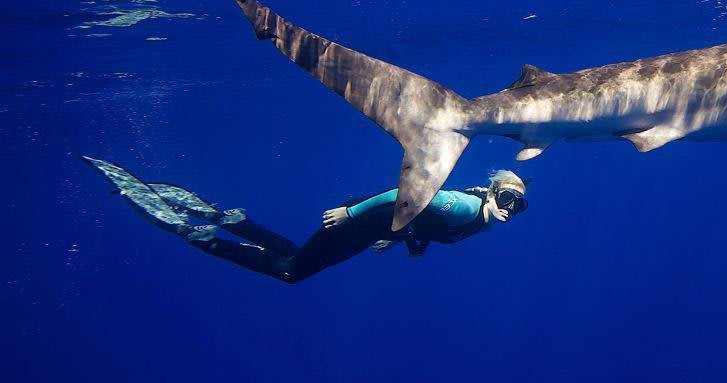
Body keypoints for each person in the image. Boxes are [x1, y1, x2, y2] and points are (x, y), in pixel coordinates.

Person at [82, 156, 528, 284]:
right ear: (491, 191)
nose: (509, 207)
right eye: (507, 196)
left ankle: (234, 221)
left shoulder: (479, 220)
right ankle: (199, 234)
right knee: (292, 272)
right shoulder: (468, 208)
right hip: (360, 218)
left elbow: (424, 223)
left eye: (518, 205)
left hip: (372, 227)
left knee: (298, 257)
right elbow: (402, 195)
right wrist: (351, 213)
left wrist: (402, 242)